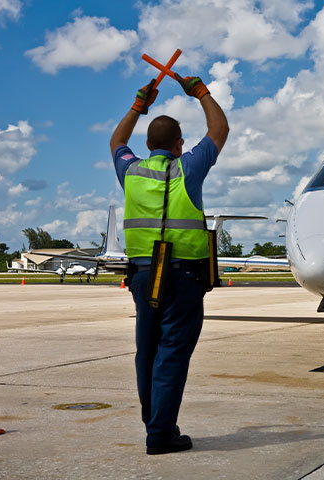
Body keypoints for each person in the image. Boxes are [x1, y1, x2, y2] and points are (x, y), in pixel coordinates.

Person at [110, 73, 229, 455]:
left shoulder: (131, 170)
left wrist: (137, 105)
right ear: (179, 144)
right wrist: (201, 92)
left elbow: (117, 142)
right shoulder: (187, 168)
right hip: (183, 277)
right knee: (173, 352)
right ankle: (160, 433)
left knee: (147, 351)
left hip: (144, 276)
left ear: (148, 144)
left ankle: (156, 423)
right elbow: (219, 128)